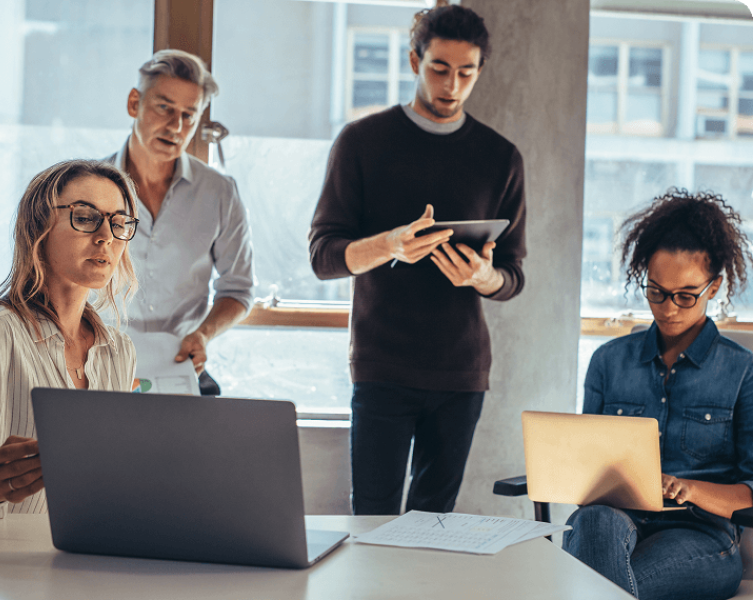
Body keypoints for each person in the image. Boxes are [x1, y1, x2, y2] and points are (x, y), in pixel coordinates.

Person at [309, 2, 526, 515]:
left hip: (461, 370)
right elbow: (323, 256)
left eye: (465, 73)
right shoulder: (362, 141)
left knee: (434, 527)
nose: (451, 85)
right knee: (373, 520)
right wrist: (390, 245)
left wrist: (484, 276)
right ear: (413, 62)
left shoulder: (501, 158)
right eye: (439, 69)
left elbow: (514, 275)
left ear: (478, 72)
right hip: (381, 365)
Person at [563, 189, 753, 600]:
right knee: (594, 522)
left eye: (686, 295)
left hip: (700, 533)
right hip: (612, 521)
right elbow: (586, 472)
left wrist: (691, 489)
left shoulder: (743, 370)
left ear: (714, 287)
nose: (668, 308)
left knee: (599, 586)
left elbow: (750, 494)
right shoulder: (608, 361)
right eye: (656, 291)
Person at [0, 159, 139, 521]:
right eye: (85, 217)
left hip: (81, 563)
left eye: (118, 223)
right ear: (38, 225)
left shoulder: (119, 351)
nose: (105, 236)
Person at [105, 49, 254, 396]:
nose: (176, 126)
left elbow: (239, 289)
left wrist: (203, 334)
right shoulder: (89, 189)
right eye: (164, 108)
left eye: (189, 115)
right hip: (101, 370)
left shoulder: (220, 192)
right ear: (134, 103)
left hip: (182, 372)